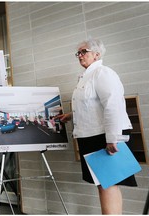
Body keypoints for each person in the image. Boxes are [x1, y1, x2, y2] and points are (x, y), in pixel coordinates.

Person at [58, 38, 137, 214]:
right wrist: (71, 115)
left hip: (105, 135)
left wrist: (112, 137)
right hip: (91, 135)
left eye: (83, 52)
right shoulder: (86, 77)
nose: (79, 56)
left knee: (109, 183)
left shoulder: (103, 73)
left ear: (96, 54)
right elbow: (92, 106)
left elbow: (113, 105)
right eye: (78, 53)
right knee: (103, 183)